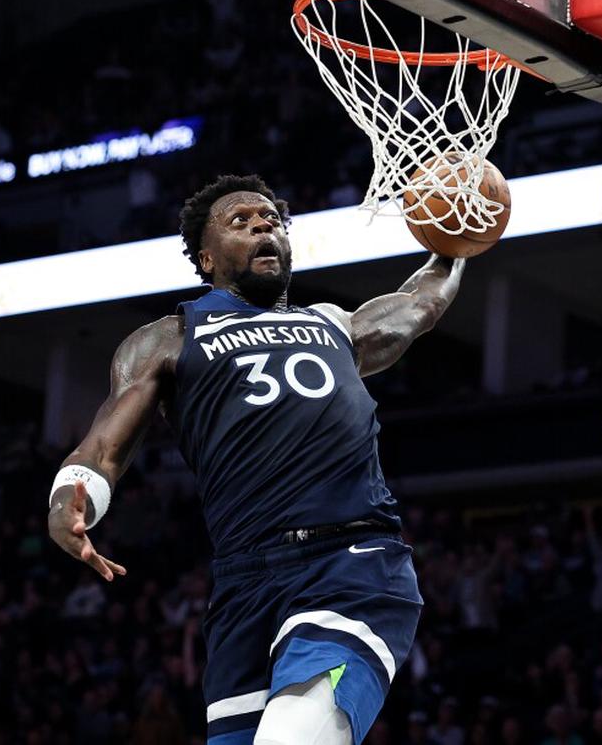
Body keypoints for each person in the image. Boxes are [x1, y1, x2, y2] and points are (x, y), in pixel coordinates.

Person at [47, 175, 467, 745]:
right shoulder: (169, 339)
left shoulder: (334, 324)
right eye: (240, 221)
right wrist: (69, 501)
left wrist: (456, 242)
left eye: (272, 220)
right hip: (243, 584)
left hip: (350, 566)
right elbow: (103, 446)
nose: (263, 226)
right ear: (206, 257)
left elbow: (419, 304)